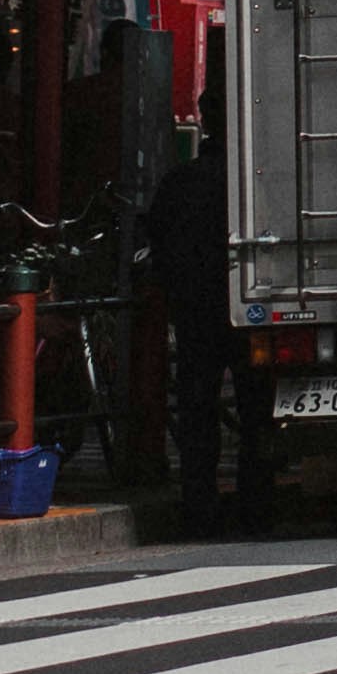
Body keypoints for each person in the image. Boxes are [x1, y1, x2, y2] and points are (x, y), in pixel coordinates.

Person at [141, 40, 247, 541]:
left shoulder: (181, 182)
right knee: (254, 408)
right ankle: (255, 498)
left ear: (206, 119)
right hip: (249, 305)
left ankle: (199, 503)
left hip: (196, 310)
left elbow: (155, 241)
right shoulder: (253, 181)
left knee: (198, 412)